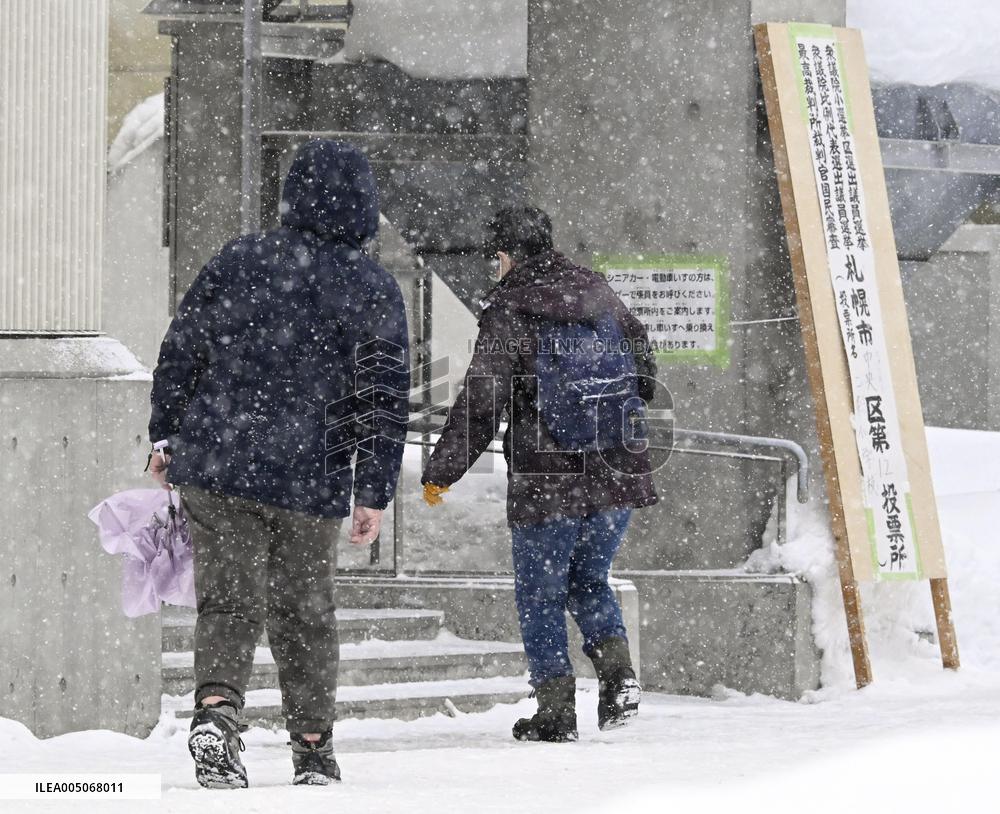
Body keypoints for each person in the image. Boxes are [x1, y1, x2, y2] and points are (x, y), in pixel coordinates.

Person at [147, 139, 409, 788]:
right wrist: (372, 491)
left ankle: (216, 711)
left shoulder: (240, 259)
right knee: (305, 612)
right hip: (309, 473)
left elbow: (182, 347)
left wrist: (165, 434)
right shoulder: (372, 287)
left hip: (218, 462)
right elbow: (384, 397)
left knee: (229, 602)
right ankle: (314, 747)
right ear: (363, 205)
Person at [421, 206, 658, 742]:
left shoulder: (510, 309)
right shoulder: (599, 293)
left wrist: (442, 470)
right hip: (617, 466)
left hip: (547, 475)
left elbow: (483, 400)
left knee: (540, 594)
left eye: (495, 257)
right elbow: (644, 364)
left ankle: (555, 711)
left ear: (506, 255)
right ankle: (620, 679)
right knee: (590, 579)